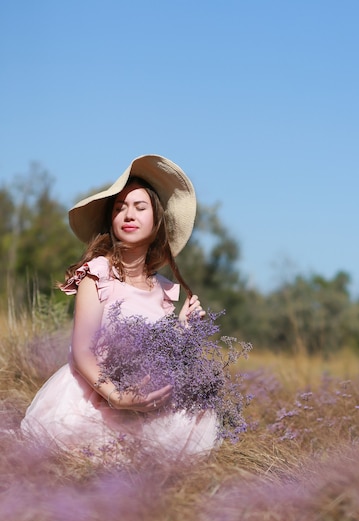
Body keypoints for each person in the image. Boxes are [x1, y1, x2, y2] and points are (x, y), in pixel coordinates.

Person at [21, 155, 219, 458]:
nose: (128, 214)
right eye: (119, 208)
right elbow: (82, 350)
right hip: (93, 395)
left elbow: (155, 358)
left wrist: (181, 330)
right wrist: (116, 396)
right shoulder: (97, 273)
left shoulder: (164, 289)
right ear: (111, 221)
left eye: (140, 208)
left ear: (156, 222)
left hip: (140, 402)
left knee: (198, 421)